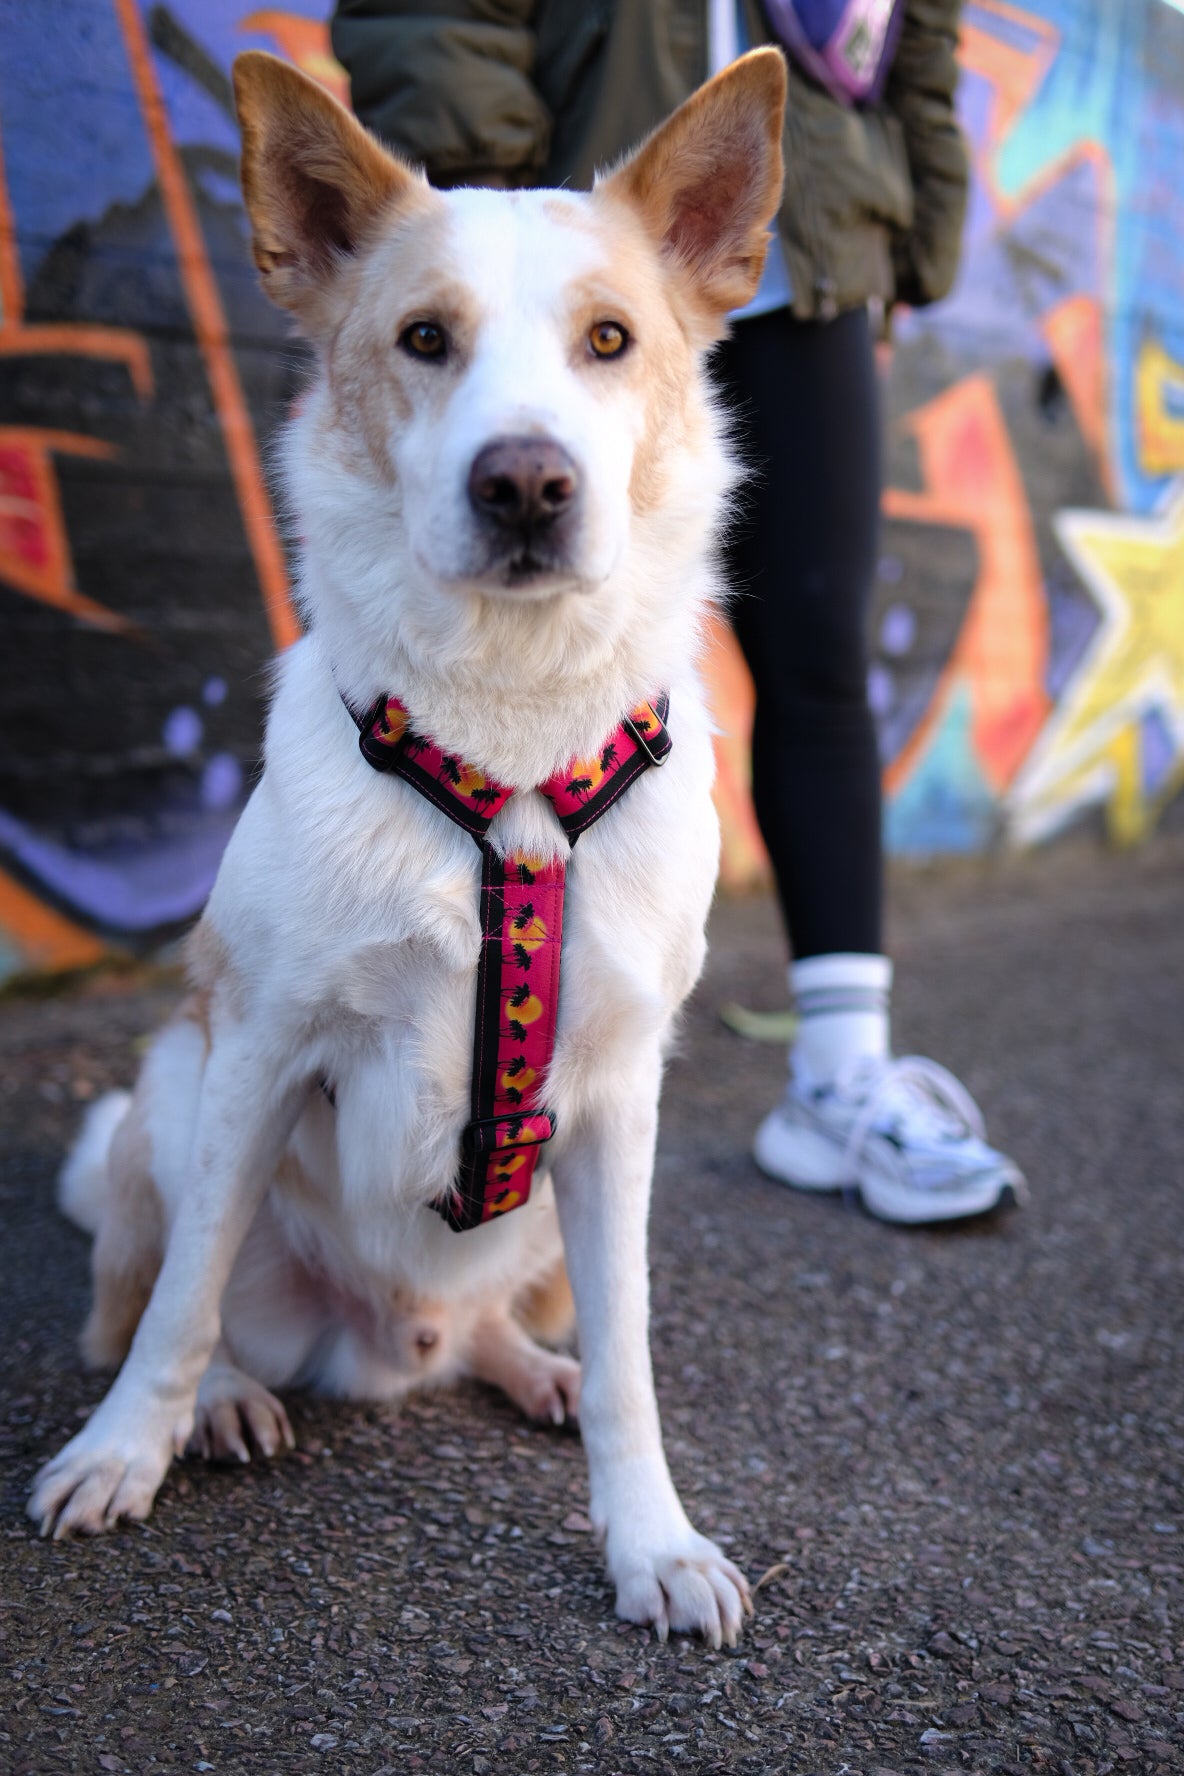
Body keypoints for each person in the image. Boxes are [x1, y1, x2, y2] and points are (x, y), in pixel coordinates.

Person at [330, 0, 1026, 1225]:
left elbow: (915, 31)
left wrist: (910, 229)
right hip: (553, 208)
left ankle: (838, 1077)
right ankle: (450, 1074)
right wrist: (500, 200)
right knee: (485, 660)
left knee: (819, 643)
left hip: (797, 236)